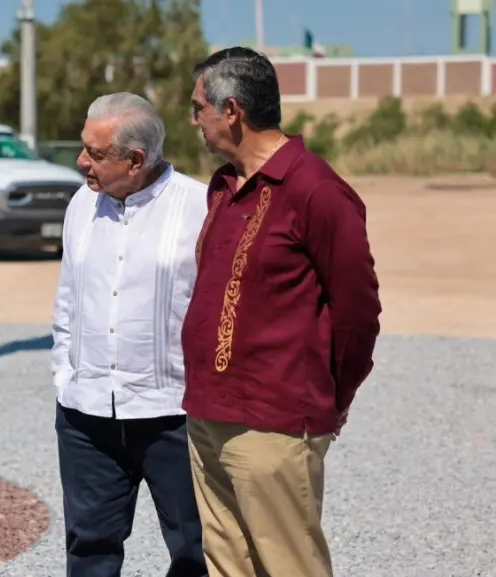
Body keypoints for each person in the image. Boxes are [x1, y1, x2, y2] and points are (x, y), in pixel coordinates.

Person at [182, 47, 382, 577]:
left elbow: (358, 313)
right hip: (206, 414)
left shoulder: (316, 190)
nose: (193, 120)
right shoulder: (223, 187)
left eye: (197, 107)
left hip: (274, 423)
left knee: (289, 566)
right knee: (227, 565)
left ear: (231, 112)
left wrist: (330, 398)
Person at [50, 92, 209, 577]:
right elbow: (68, 297)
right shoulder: (81, 204)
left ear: (136, 160)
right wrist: (65, 374)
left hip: (173, 416)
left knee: (196, 549)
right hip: (87, 415)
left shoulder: (201, 206)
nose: (81, 162)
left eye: (95, 154)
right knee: (89, 547)